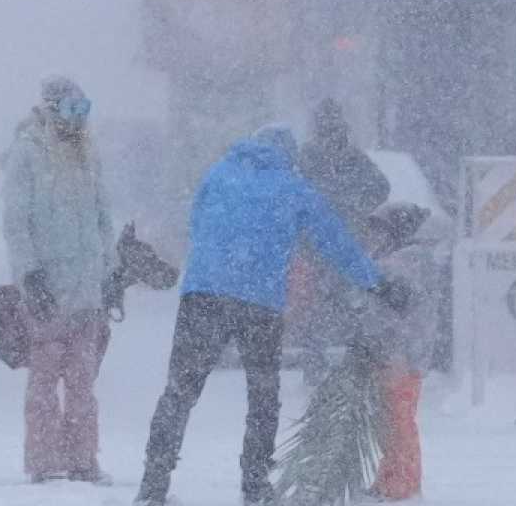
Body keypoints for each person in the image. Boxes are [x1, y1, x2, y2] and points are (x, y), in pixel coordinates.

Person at [134, 124, 406, 506]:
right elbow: (334, 241)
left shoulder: (219, 172)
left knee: (179, 392)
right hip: (259, 302)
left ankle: (153, 483)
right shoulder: (292, 186)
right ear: (288, 156)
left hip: (203, 296)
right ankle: (255, 484)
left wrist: (218, 264)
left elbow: (195, 223)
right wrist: (376, 282)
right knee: (262, 395)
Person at [3, 76, 115, 484]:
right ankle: (44, 460)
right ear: (51, 109)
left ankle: (83, 459)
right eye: (71, 110)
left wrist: (110, 271)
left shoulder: (88, 153)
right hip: (47, 288)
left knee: (84, 380)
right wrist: (29, 273)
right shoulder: (28, 153)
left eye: (83, 110)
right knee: (46, 379)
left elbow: (103, 216)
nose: (78, 120)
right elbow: (16, 223)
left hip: (86, 290)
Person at [287, 99, 390, 385]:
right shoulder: (353, 156)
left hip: (313, 244)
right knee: (352, 303)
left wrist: (309, 213)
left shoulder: (306, 156)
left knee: (314, 306)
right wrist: (355, 206)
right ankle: (355, 367)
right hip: (348, 241)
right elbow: (382, 187)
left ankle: (314, 366)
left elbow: (292, 192)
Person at [357, 202, 445, 502]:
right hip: (390, 353)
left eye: (381, 229)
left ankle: (403, 483)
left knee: (399, 421)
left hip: (402, 356)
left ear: (398, 229)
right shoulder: (396, 257)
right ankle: (389, 478)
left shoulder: (411, 259)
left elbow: (391, 300)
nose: (375, 236)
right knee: (389, 420)